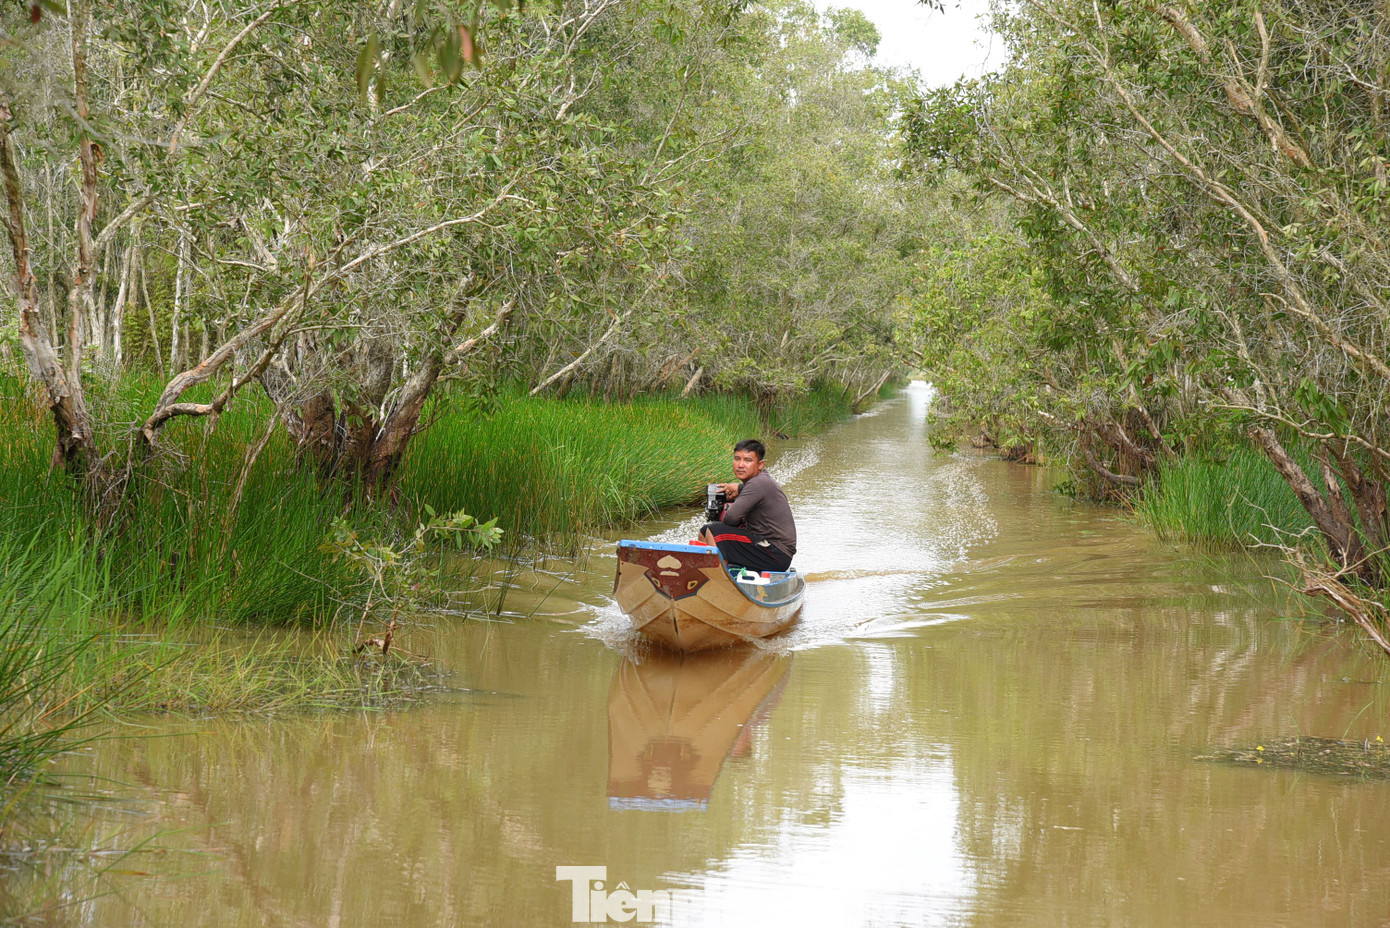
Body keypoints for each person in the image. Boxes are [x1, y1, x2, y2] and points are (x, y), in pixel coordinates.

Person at [700, 439, 797, 572]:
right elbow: (752, 490)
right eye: (737, 459)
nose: (741, 465)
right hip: (769, 549)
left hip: (775, 553)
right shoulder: (760, 481)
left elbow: (730, 519)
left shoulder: (756, 484)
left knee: (715, 531)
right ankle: (710, 571)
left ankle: (718, 577)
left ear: (760, 464)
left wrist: (731, 508)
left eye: (748, 460)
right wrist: (739, 488)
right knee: (704, 531)